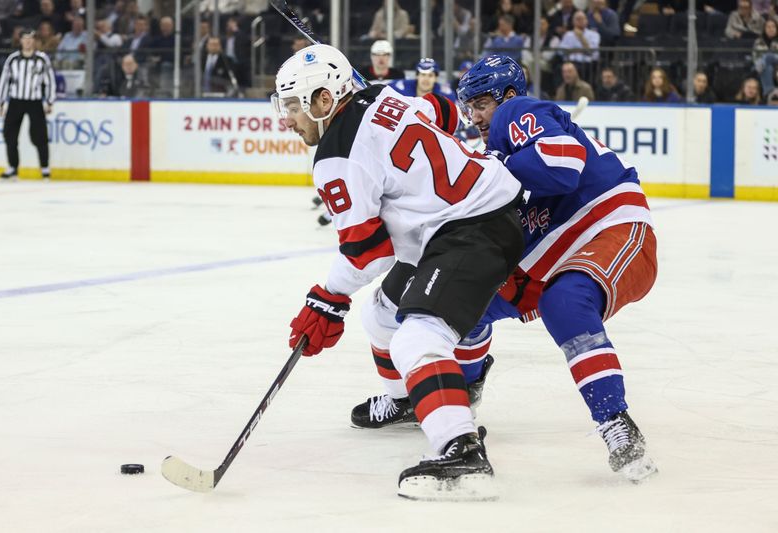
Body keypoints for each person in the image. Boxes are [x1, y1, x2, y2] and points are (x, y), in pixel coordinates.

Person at [274, 44, 525, 500]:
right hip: (474, 214)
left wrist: (326, 296)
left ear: (325, 100)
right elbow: (446, 111)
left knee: (417, 338)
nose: (286, 119)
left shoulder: (336, 155)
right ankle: (411, 401)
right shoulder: (386, 95)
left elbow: (369, 253)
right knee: (382, 316)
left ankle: (461, 449)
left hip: (470, 230)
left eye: (293, 105)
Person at [453, 54, 658, 483]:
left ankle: (615, 422)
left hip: (609, 227)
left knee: (563, 301)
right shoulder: (501, 147)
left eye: (480, 104)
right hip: (552, 247)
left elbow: (563, 167)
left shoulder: (518, 111)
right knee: (465, 298)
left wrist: (492, 166)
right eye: (468, 107)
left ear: (508, 96)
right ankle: (462, 392)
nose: (474, 116)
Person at [0, 28, 56, 181]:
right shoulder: (13, 59)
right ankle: (13, 168)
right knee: (10, 134)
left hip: (34, 101)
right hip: (16, 100)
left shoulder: (42, 59)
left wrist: (49, 101)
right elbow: (5, 81)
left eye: (30, 38)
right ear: (20, 40)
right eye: (25, 38)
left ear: (34, 41)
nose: (28, 41)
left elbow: (49, 81)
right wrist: (1, 102)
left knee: (39, 135)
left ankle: (45, 168)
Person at [389, 57, 456, 100]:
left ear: (436, 78)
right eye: (423, 75)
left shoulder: (446, 96)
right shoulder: (399, 87)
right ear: (416, 76)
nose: (426, 79)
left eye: (430, 75)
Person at [754, 19, 778, 96]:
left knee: (768, 56)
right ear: (764, 29)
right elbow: (755, 56)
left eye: (773, 27)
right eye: (768, 27)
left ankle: (767, 93)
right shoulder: (758, 41)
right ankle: (769, 92)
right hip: (761, 66)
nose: (771, 29)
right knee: (768, 68)